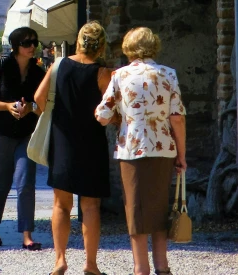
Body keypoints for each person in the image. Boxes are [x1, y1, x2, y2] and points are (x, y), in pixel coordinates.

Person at [95, 27, 186, 275]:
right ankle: (162, 266)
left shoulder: (120, 75)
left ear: (128, 48)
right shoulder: (169, 74)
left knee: (135, 209)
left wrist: (120, 117)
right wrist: (182, 154)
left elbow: (101, 115)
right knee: (159, 207)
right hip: (164, 148)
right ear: (154, 45)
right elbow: (177, 118)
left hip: (131, 148)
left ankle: (140, 269)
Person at [35, 20, 112, 275]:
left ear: (78, 41)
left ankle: (60, 260)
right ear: (101, 47)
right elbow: (111, 110)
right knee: (90, 206)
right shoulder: (103, 74)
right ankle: (90, 264)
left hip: (63, 139)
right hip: (91, 141)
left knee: (61, 204)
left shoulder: (59, 65)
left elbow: (39, 99)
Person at [0, 26, 45, 250]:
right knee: (2, 183)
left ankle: (27, 235)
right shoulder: (1, 66)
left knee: (26, 182)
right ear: (16, 46)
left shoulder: (38, 71)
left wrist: (30, 108)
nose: (32, 47)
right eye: (27, 43)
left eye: (34, 42)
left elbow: (43, 105)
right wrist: (7, 106)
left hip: (26, 134)